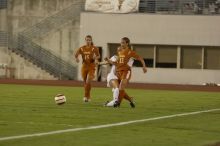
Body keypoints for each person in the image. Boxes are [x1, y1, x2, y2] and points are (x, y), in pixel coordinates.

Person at [105, 37, 147, 107]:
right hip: (118, 72)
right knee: (119, 89)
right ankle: (130, 100)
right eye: (121, 42)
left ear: (127, 43)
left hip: (126, 72)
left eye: (123, 43)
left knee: (121, 87)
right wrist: (108, 60)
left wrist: (144, 66)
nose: (121, 44)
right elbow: (116, 63)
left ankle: (117, 103)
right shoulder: (120, 53)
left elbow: (140, 58)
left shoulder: (130, 52)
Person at [75, 35, 100, 102]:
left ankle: (85, 96)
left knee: (88, 81)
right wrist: (77, 58)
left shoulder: (94, 48)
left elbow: (98, 56)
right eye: (87, 40)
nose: (88, 41)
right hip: (84, 67)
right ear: (85, 40)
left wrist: (96, 59)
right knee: (86, 83)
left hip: (91, 66)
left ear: (91, 41)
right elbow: (76, 54)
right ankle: (88, 96)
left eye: (89, 40)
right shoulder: (82, 48)